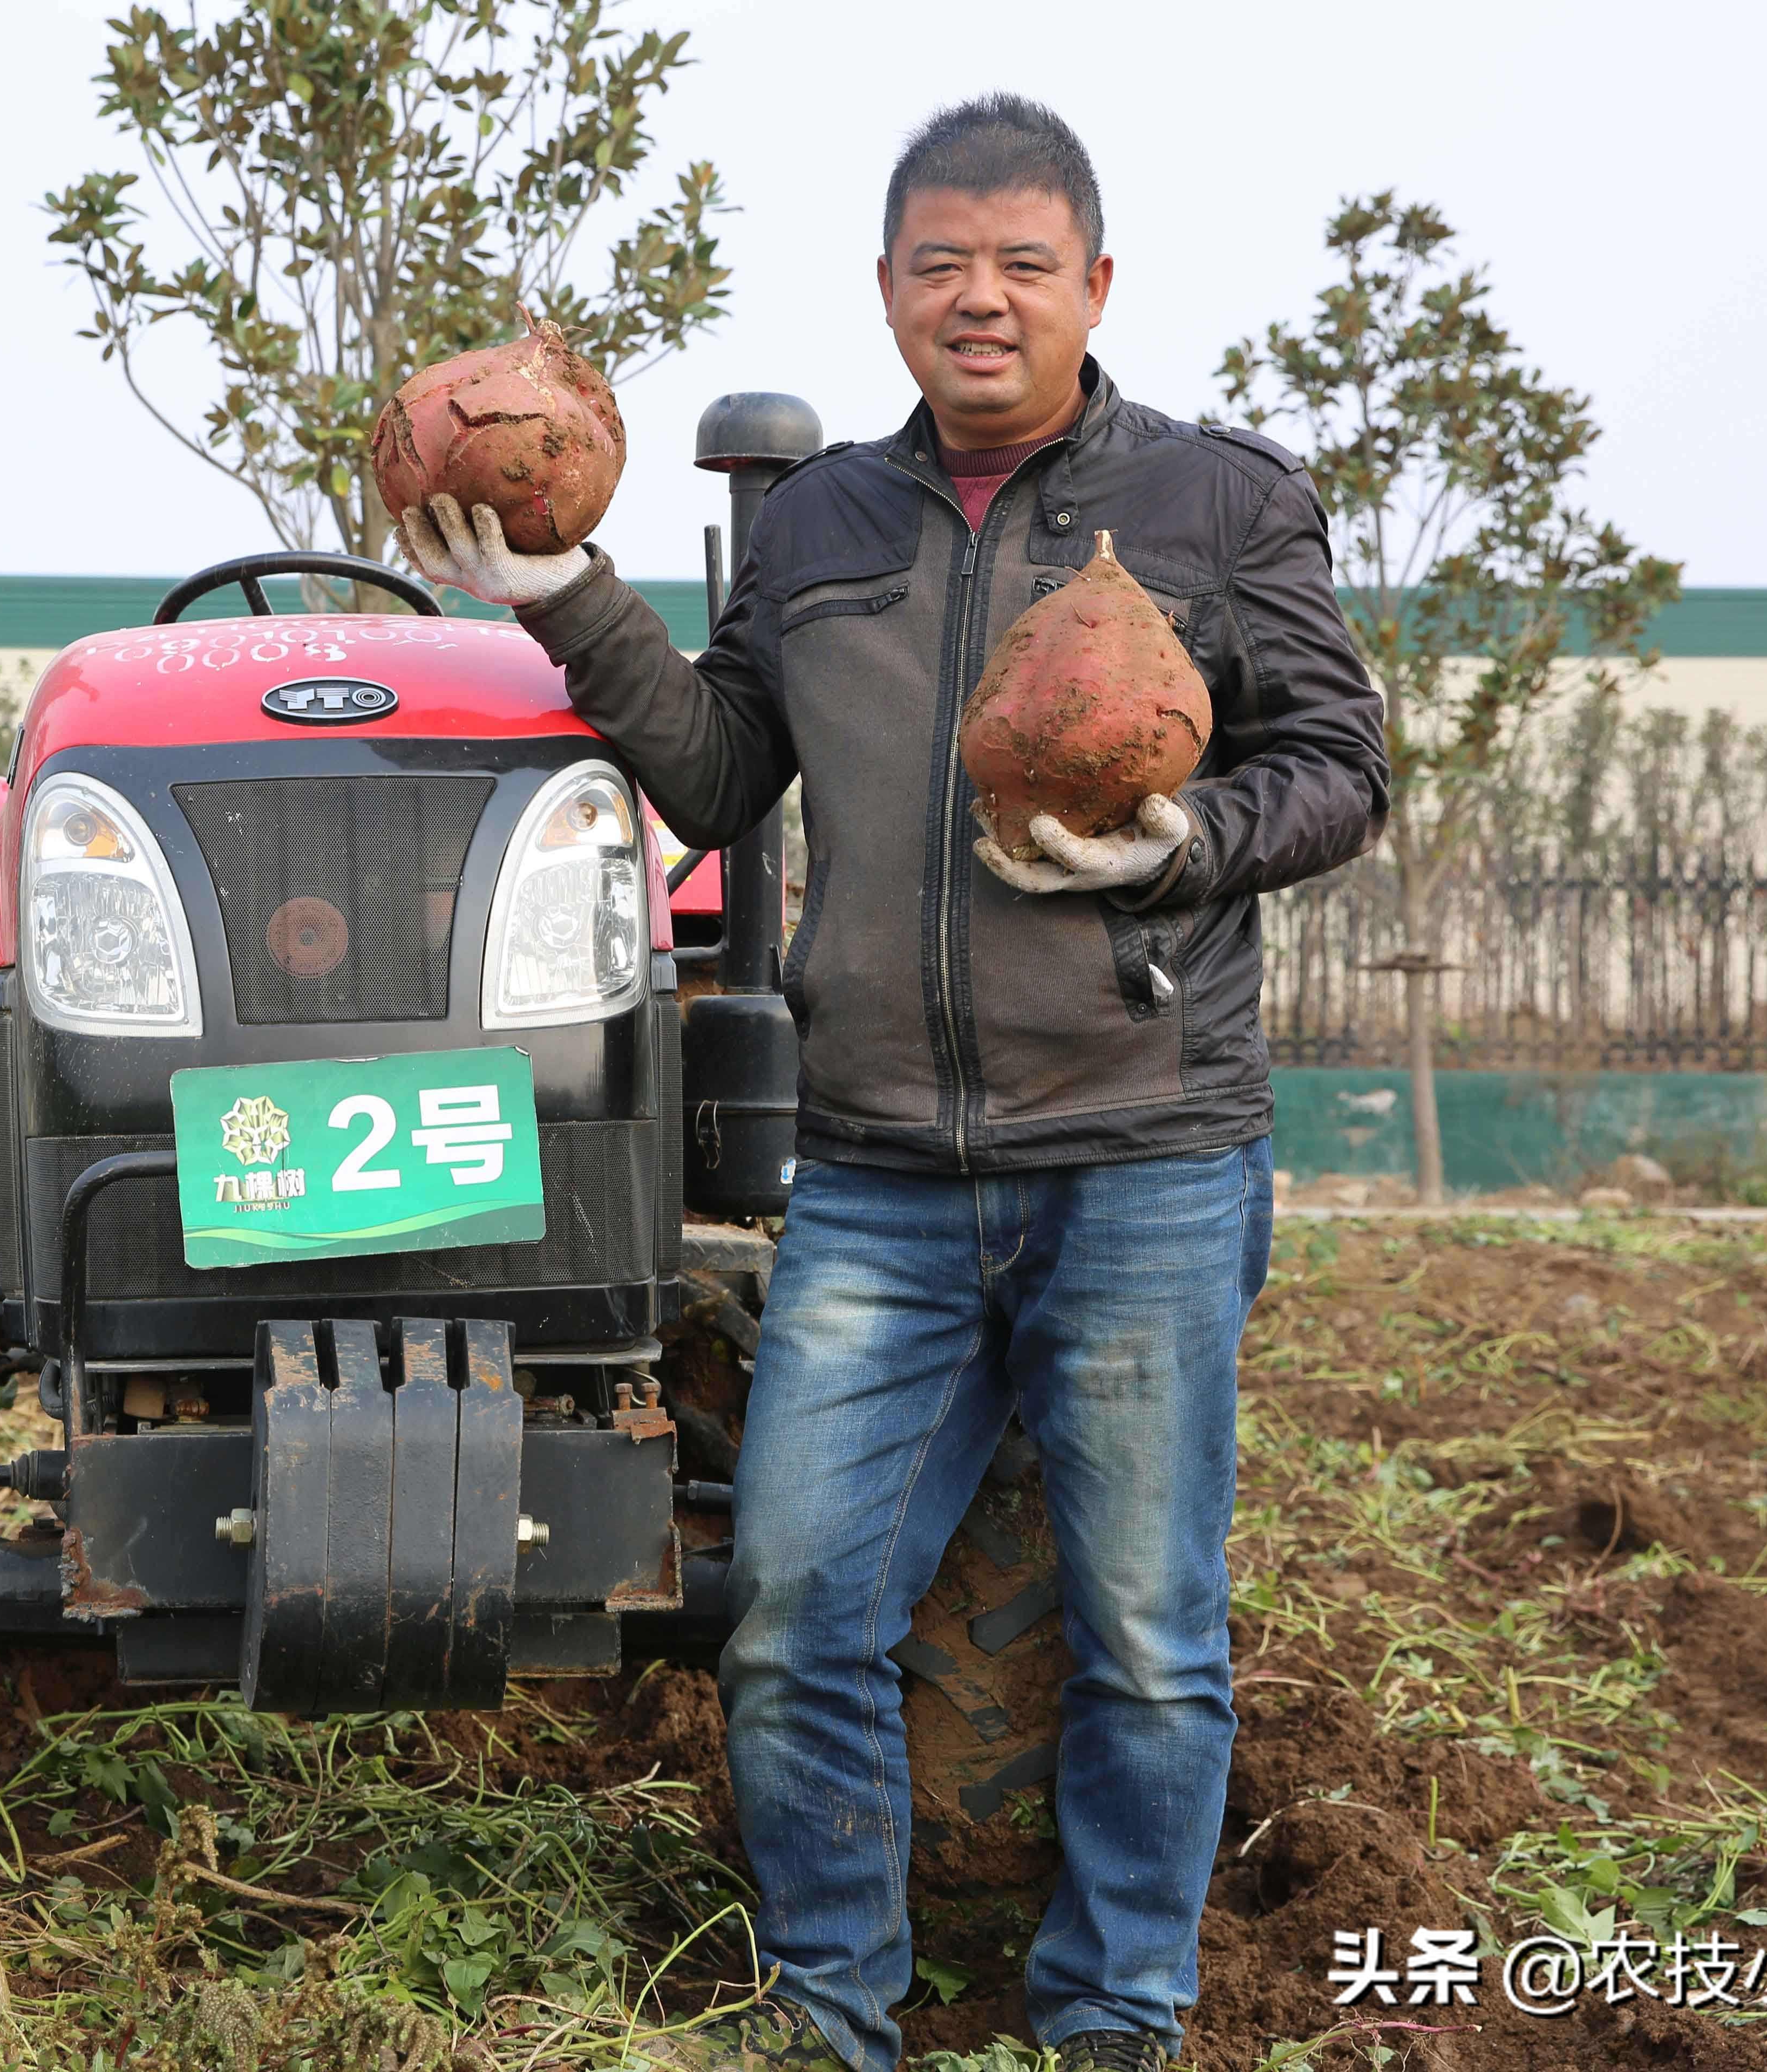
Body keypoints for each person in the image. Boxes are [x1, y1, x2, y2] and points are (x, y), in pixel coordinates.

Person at [400, 92, 1388, 2072]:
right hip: (878, 1175)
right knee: (792, 1614)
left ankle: (1115, 2019)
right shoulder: (828, 521)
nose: (982, 301)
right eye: (942, 265)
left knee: (1147, 1638)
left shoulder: (1218, 505)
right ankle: (832, 2011)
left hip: (1144, 1154)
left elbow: (1343, 769)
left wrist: (1179, 845)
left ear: (1095, 285)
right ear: (887, 291)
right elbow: (712, 773)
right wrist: (558, 594)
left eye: (1025, 265)